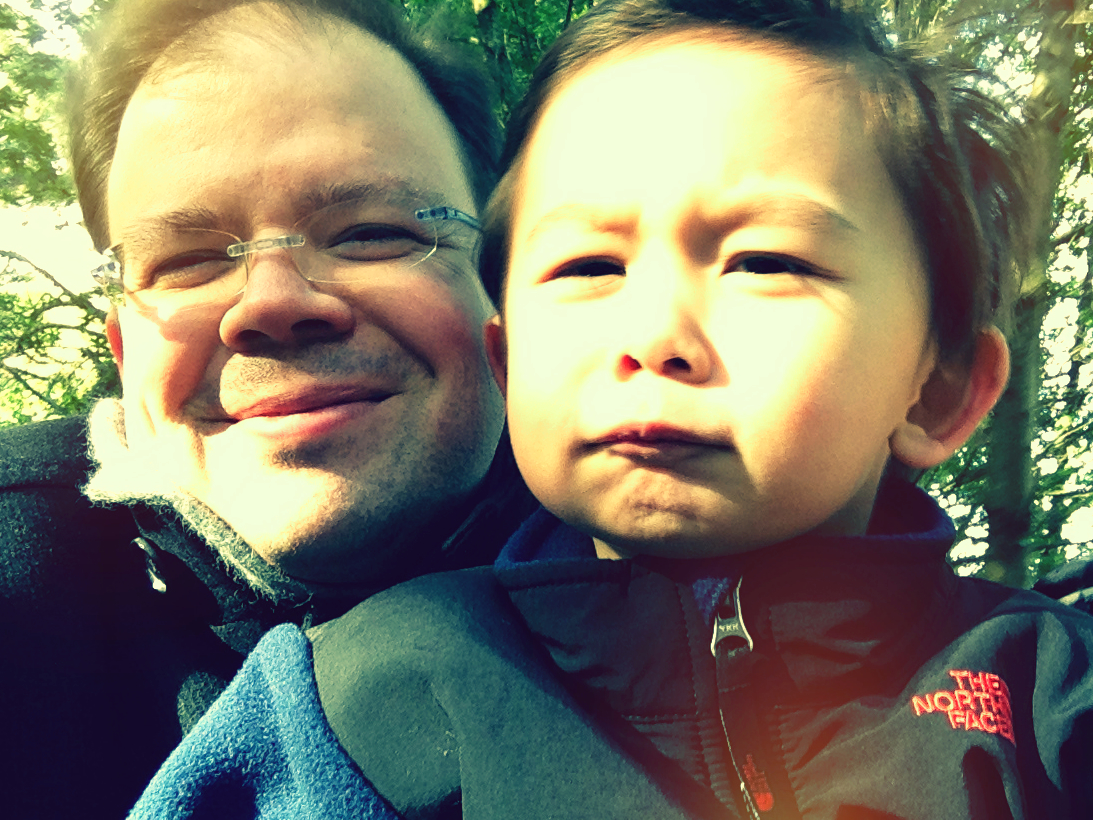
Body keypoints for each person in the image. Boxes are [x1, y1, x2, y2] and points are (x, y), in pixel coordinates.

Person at [129, 0, 1093, 818]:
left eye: (765, 262)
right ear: (508, 366)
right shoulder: (354, 696)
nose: (653, 335)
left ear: (936, 390)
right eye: (588, 266)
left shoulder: (1047, 692)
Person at [0, 0, 536, 817]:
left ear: (499, 283)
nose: (273, 302)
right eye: (185, 262)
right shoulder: (20, 600)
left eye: (369, 232)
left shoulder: (718, 551)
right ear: (121, 348)